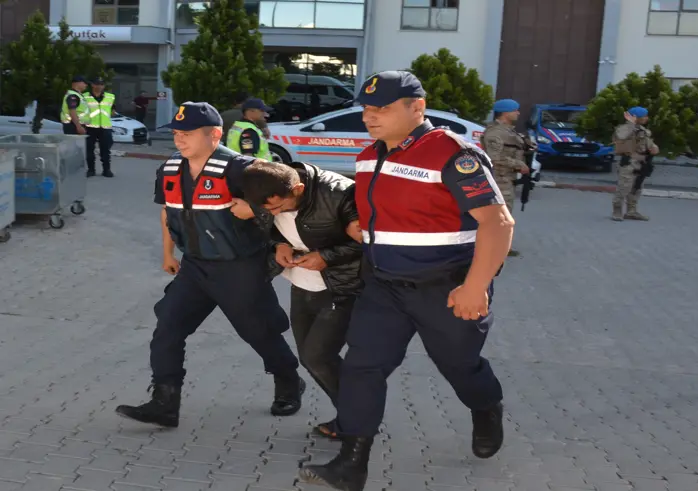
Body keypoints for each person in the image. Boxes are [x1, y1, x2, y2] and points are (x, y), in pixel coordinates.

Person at [299, 71, 510, 491]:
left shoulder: (451, 153)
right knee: (362, 367)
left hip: (446, 288)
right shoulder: (368, 156)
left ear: (418, 107)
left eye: (382, 108)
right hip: (384, 287)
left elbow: (498, 223)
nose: (370, 117)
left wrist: (475, 286)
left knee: (459, 366)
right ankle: (350, 465)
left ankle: (486, 407)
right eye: (366, 109)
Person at [114, 102, 305, 428]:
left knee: (258, 331)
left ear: (214, 135)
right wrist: (167, 254)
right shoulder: (170, 169)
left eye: (187, 133)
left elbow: (286, 202)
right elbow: (167, 212)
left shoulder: (243, 170)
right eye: (176, 133)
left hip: (240, 267)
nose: (179, 139)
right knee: (168, 327)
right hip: (195, 267)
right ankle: (164, 403)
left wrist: (260, 216)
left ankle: (288, 379)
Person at [239, 159, 363, 440]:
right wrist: (278, 244)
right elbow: (268, 226)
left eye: (279, 207)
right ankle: (353, 417)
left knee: (317, 356)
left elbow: (371, 240)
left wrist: (326, 256)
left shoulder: (340, 193)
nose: (274, 213)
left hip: (342, 286)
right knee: (311, 358)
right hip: (301, 283)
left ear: (298, 189)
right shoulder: (267, 190)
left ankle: (358, 421)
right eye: (268, 209)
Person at [481, 98, 530, 255]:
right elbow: (494, 158)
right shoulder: (495, 133)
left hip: (507, 178)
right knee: (500, 215)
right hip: (499, 179)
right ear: (505, 113)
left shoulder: (508, 131)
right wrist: (518, 164)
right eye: (515, 110)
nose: (518, 113)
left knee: (503, 214)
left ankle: (500, 246)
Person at [611, 106, 658, 221]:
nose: (646, 118)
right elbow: (621, 136)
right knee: (623, 188)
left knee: (637, 188)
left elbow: (648, 144)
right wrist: (631, 124)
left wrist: (654, 147)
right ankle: (617, 211)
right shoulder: (624, 128)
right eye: (644, 116)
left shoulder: (643, 130)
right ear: (636, 117)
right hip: (629, 163)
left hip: (641, 162)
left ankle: (631, 211)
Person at [83, 77, 116, 177]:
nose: (100, 86)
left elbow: (112, 110)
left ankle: (106, 170)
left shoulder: (110, 97)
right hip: (89, 127)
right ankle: (91, 170)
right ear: (92, 85)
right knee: (89, 150)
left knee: (105, 150)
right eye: (97, 84)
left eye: (102, 84)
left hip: (105, 127)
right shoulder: (84, 97)